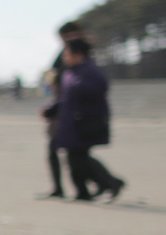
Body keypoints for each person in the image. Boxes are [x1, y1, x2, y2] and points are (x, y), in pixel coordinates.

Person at [53, 38, 123, 201]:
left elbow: (99, 89)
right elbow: (65, 98)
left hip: (85, 122)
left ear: (78, 54)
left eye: (67, 53)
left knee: (79, 158)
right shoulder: (71, 72)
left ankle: (110, 183)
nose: (65, 57)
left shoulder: (90, 70)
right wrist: (52, 110)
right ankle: (83, 191)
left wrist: (79, 87)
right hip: (71, 122)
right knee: (74, 158)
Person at [39, 20, 87, 198]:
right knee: (63, 152)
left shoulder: (80, 54)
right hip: (61, 106)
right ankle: (64, 188)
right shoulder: (64, 53)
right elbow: (52, 74)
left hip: (67, 109)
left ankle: (103, 183)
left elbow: (67, 83)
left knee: (75, 154)